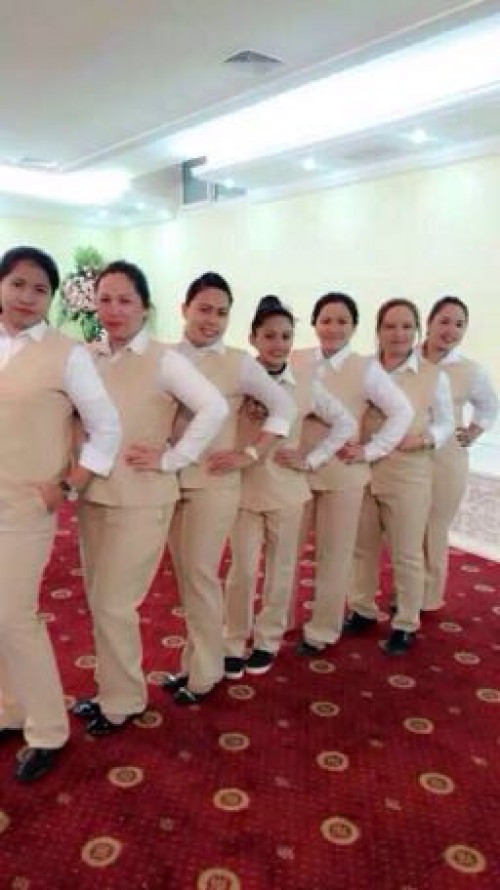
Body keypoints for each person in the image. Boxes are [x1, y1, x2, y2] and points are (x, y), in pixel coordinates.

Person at [72, 261, 228, 735]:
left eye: (126, 300)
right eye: (105, 299)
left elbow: (214, 407)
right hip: (93, 494)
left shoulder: (164, 359)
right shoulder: (89, 355)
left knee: (115, 603)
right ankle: (111, 689)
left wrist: (173, 457)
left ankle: (123, 701)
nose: (114, 309)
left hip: (142, 497)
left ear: (145, 308)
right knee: (99, 600)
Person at [0, 245, 120, 782]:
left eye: (40, 289)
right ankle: (10, 708)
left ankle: (48, 728)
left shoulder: (66, 353)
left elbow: (107, 427)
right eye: (17, 284)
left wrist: (70, 484)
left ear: (52, 298)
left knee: (13, 615)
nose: (27, 297)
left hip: (25, 505)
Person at [163, 273, 296, 704]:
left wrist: (250, 454)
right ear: (184, 309)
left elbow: (284, 406)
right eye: (204, 309)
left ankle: (206, 671)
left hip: (215, 482)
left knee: (200, 573)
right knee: (185, 575)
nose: (212, 320)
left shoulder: (239, 362)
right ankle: (192, 661)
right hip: (167, 481)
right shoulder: (165, 356)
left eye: (222, 313)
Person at [224, 296, 356, 677]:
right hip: (244, 490)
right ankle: (233, 640)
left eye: (286, 336)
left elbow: (345, 423)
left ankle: (267, 640)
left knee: (280, 570)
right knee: (242, 570)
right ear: (253, 338)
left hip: (287, 492)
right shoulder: (239, 380)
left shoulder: (305, 385)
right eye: (269, 336)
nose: (278, 344)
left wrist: (311, 458)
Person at [292, 291, 414, 655]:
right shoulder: (297, 359)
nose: (333, 328)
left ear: (355, 327)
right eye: (326, 320)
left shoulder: (365, 368)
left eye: (342, 321)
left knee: (334, 555)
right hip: (295, 470)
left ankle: (322, 631)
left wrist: (371, 450)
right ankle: (277, 623)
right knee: (285, 553)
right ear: (314, 324)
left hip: (343, 473)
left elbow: (402, 412)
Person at [344, 299, 455, 654]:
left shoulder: (433, 375)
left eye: (407, 326)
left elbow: (446, 423)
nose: (398, 334)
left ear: (417, 331)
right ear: (378, 331)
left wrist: (424, 439)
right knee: (362, 547)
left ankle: (406, 621)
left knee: (407, 551)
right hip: (362, 469)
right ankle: (362, 608)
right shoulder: (361, 369)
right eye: (390, 326)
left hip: (408, 472)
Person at [421, 296, 498, 611]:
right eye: (444, 321)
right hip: (406, 456)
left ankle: (427, 598)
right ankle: (407, 591)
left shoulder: (469, 370)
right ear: (428, 323)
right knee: (405, 528)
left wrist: (472, 433)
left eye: (459, 324)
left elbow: (489, 406)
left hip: (447, 459)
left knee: (435, 526)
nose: (450, 330)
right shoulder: (406, 359)